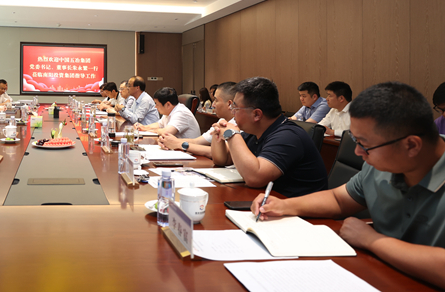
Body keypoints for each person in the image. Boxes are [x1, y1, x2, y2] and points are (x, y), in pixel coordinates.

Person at [252, 82, 445, 289]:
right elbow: (338, 199)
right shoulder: (381, 165)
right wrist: (284, 205)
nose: (358, 152)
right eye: (355, 141)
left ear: (412, 145)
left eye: (365, 145)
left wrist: (371, 240)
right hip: (382, 274)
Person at [210, 77, 327, 197]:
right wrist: (218, 131)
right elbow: (222, 160)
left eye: (235, 108)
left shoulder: (288, 136)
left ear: (257, 114)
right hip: (270, 201)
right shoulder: (255, 131)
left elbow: (255, 178)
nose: (232, 112)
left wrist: (232, 134)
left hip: (297, 206)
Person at [160, 81, 236, 157]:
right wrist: (168, 140)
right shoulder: (221, 121)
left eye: (216, 100)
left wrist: (179, 144)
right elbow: (197, 141)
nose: (213, 105)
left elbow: (221, 153)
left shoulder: (237, 124)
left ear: (229, 104)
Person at [137, 87, 201, 139]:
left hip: (188, 149)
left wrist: (150, 130)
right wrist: (144, 127)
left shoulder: (181, 113)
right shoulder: (169, 112)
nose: (155, 107)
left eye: (157, 104)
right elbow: (159, 124)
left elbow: (166, 132)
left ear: (168, 105)